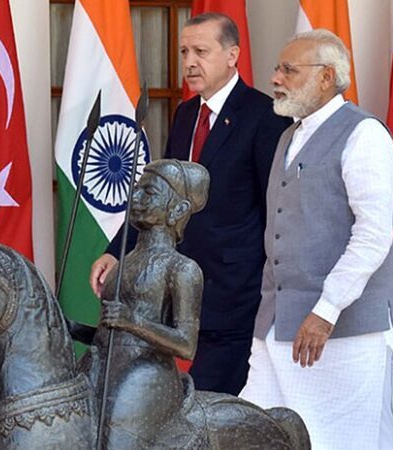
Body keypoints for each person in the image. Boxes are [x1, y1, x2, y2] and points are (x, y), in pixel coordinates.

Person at [240, 29, 393, 450]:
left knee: (347, 440)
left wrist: (326, 310)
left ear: (327, 77)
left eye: (289, 69)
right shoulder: (288, 136)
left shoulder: (364, 135)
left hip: (345, 334)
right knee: (263, 433)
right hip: (276, 328)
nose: (276, 78)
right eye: (278, 68)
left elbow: (373, 233)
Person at [89, 12, 291, 395]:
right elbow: (162, 198)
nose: (189, 62)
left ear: (232, 55)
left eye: (201, 51)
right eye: (184, 52)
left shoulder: (264, 117)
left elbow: (277, 215)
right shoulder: (185, 114)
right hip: (177, 297)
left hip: (235, 299)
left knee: (207, 408)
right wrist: (117, 251)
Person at [81, 160, 208, 449]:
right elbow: (112, 336)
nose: (134, 198)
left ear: (178, 210)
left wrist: (132, 321)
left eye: (148, 193)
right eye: (136, 190)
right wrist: (70, 328)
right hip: (104, 367)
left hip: (145, 377)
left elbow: (186, 344)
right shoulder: (121, 264)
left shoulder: (182, 269)